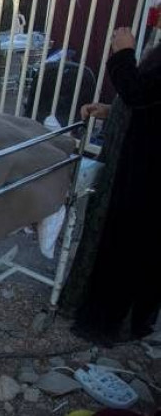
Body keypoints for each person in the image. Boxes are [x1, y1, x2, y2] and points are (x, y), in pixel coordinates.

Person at [66, 28, 161, 345]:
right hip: (136, 162)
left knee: (129, 244)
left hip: (147, 174)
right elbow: (148, 101)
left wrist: (123, 53)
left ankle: (113, 321)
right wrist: (111, 111)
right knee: (114, 235)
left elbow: (139, 92)